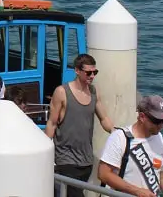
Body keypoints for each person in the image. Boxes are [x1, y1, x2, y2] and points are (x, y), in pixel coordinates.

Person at [46, 54, 114, 196]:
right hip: (66, 158)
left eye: (95, 72)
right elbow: (52, 123)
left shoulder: (94, 92)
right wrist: (45, 151)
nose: (92, 76)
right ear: (77, 70)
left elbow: (104, 118)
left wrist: (117, 133)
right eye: (88, 72)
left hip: (86, 160)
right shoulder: (62, 92)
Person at [98, 95, 163, 197]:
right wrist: (136, 191)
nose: (161, 125)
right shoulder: (119, 138)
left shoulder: (159, 137)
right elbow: (103, 174)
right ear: (142, 117)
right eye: (156, 121)